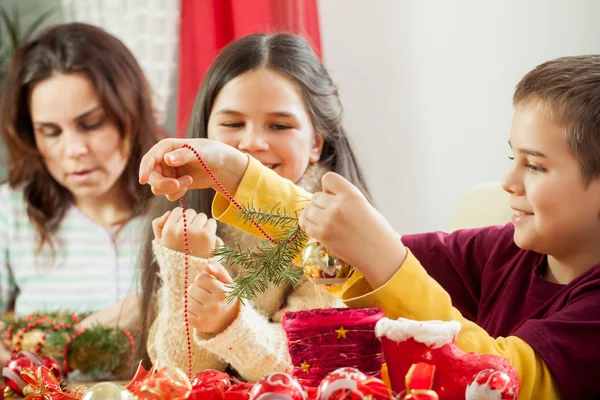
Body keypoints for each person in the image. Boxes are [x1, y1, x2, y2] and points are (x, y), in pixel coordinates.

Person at [139, 55, 600, 398]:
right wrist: (235, 172)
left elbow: (503, 379)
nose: (509, 182)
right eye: (511, 158)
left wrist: (384, 259)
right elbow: (334, 264)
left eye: (535, 166)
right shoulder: (503, 250)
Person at [137, 33, 373, 381]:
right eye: (232, 124)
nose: (252, 143)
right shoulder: (184, 218)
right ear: (205, 133)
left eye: (279, 125)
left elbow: (313, 368)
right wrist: (186, 267)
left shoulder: (333, 231)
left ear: (315, 143)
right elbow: (179, 377)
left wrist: (228, 318)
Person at [0, 23, 162, 350]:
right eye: (50, 132)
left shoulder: (184, 201)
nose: (74, 150)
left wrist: (154, 301)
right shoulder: (11, 211)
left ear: (132, 113)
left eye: (91, 125)